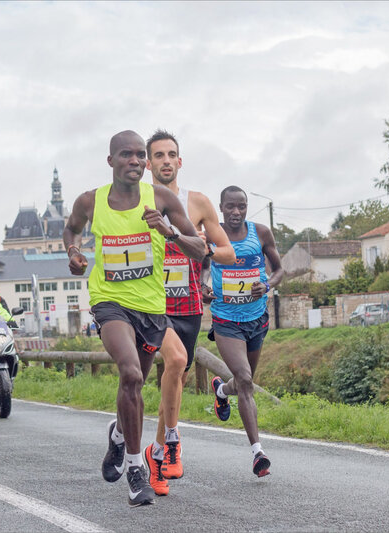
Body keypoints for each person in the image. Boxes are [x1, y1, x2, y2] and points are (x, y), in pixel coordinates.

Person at [63, 130, 204, 507]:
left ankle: (118, 435)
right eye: (127, 155)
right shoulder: (90, 201)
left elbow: (200, 248)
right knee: (132, 374)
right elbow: (71, 228)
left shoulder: (161, 199)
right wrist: (74, 252)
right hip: (109, 302)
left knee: (135, 387)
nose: (136, 161)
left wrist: (168, 231)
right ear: (111, 161)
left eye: (140, 155)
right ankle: (135, 468)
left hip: (151, 309)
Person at [143, 129, 236, 495]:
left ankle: (156, 455)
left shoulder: (197, 203)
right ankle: (168, 440)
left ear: (179, 161)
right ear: (148, 163)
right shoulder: (136, 203)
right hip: (150, 305)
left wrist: (202, 251)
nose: (165, 161)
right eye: (159, 155)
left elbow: (227, 251)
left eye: (171, 155)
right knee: (173, 362)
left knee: (176, 378)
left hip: (188, 304)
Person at [206, 185, 283, 477]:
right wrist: (203, 287)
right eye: (230, 207)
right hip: (226, 320)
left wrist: (268, 284)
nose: (236, 212)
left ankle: (222, 390)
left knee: (242, 383)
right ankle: (258, 453)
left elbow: (278, 269)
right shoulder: (212, 235)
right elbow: (200, 267)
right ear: (221, 207)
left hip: (256, 318)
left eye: (241, 207)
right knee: (247, 380)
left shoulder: (261, 233)